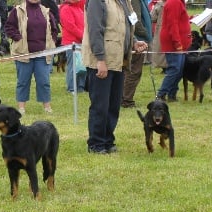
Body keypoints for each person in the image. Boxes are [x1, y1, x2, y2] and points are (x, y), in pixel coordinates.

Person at [82, 0, 148, 154]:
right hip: (102, 60)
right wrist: (100, 60)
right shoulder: (97, 2)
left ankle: (108, 140)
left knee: (113, 105)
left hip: (119, 60)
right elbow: (95, 30)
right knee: (101, 105)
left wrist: (134, 43)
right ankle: (96, 144)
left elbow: (124, 27)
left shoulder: (124, 1)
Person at [5, 0, 58, 114]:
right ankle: (21, 108)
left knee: (44, 81)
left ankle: (47, 107)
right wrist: (18, 38)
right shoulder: (17, 10)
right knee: (23, 81)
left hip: (42, 54)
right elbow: (9, 27)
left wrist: (51, 42)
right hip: (23, 53)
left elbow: (54, 29)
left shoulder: (46, 11)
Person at [155, 0, 191, 102]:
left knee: (178, 71)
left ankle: (172, 94)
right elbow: (172, 24)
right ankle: (161, 95)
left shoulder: (178, 2)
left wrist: (192, 18)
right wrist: (177, 44)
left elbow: (180, 20)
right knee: (174, 69)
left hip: (179, 44)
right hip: (173, 44)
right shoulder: (174, 2)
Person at [121, 0, 152, 108]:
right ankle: (126, 100)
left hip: (136, 39)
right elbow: (135, 21)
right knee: (133, 71)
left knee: (131, 71)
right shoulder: (134, 1)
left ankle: (124, 98)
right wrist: (146, 34)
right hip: (137, 40)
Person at [59, 0, 86, 93]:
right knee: (73, 66)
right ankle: (71, 88)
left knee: (82, 66)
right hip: (71, 43)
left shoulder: (79, 8)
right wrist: (83, 36)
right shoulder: (65, 9)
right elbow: (71, 27)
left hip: (81, 42)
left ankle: (80, 87)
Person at [150, 0, 167, 71]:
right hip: (171, 28)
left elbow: (153, 17)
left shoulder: (159, 4)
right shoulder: (176, 2)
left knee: (160, 48)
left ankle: (164, 67)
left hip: (161, 28)